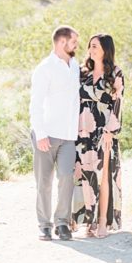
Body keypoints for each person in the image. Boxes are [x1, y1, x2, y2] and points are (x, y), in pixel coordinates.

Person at [29, 25, 81, 241]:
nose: (77, 45)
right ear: (62, 42)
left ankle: (62, 223)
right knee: (44, 181)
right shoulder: (45, 68)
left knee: (67, 178)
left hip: (69, 135)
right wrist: (40, 133)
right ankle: (44, 225)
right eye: (74, 42)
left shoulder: (75, 65)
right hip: (47, 134)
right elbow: (36, 103)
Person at [72, 33, 124, 238]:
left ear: (105, 50)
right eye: (90, 46)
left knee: (103, 177)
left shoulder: (116, 73)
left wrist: (111, 131)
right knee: (84, 176)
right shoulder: (82, 72)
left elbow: (117, 103)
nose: (91, 50)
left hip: (103, 132)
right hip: (81, 130)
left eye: (95, 46)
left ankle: (102, 222)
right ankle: (88, 223)